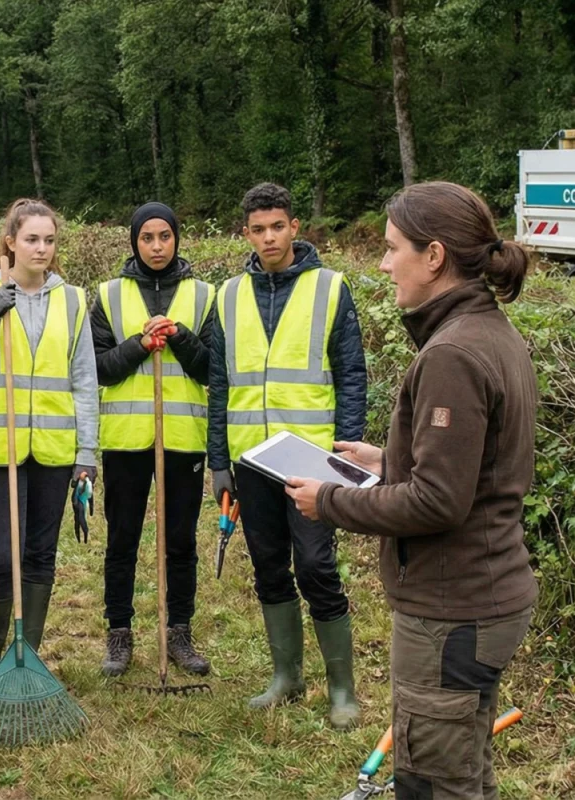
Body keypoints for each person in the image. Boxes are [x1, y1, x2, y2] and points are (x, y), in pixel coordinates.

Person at [286, 182, 538, 800]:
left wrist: (330, 501)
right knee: (464, 773)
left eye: (392, 247)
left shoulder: (453, 353)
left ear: (434, 256)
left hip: (452, 612)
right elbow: (475, 468)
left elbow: (437, 501)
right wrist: (389, 460)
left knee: (431, 784)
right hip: (482, 598)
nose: (382, 263)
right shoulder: (488, 332)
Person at [205, 182, 368, 726]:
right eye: (259, 229)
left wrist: (347, 456)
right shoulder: (228, 295)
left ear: (295, 227)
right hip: (251, 458)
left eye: (278, 226)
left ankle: (342, 690)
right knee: (269, 566)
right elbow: (219, 385)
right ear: (245, 234)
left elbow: (351, 375)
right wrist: (219, 462)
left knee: (316, 566)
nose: (269, 237)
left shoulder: (330, 288)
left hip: (310, 459)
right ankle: (287, 677)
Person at [0, 198, 99, 686]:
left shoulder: (73, 301)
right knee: (3, 559)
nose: (41, 248)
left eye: (49, 240)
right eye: (32, 239)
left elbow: (84, 381)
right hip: (1, 451)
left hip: (54, 452)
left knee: (40, 556)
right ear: (10, 242)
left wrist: (86, 454)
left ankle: (26, 660)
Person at [89, 201, 214, 677]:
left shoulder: (204, 296)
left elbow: (211, 368)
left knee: (180, 540)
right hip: (126, 440)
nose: (157, 246)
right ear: (134, 241)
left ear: (176, 239)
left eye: (165, 236)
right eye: (147, 238)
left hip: (183, 438)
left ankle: (179, 631)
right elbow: (98, 368)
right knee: (122, 539)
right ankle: (119, 633)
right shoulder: (109, 295)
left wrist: (179, 336)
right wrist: (139, 345)